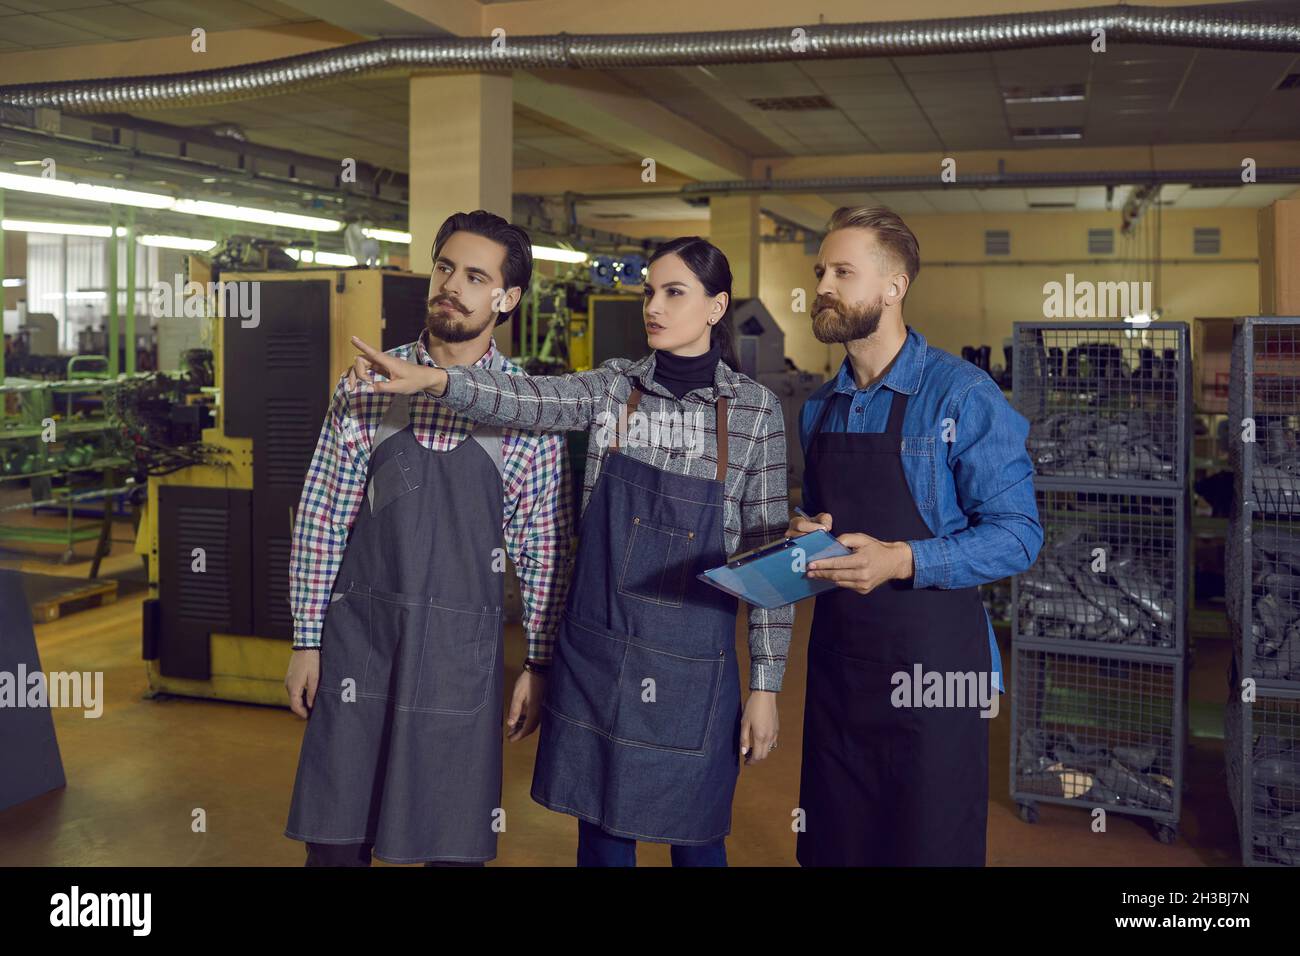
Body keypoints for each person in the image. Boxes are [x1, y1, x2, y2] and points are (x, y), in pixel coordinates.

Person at [347, 236, 791, 867]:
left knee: (698, 843)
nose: (654, 308)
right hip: (600, 655)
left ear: (717, 308)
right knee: (603, 838)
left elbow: (771, 564)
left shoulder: (754, 413)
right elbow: (525, 399)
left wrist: (767, 687)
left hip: (694, 669)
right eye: (649, 293)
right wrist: (437, 380)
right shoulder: (613, 390)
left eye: (674, 293)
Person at [282, 210, 574, 866]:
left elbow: (541, 547)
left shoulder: (527, 411)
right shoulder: (365, 388)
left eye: (475, 276)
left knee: (452, 841)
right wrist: (306, 640)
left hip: (458, 660)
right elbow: (323, 517)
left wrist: (539, 661)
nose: (452, 285)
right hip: (360, 647)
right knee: (335, 842)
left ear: (507, 298)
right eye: (445, 267)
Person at [787, 205, 1042, 866]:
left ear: (893, 288)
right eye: (821, 271)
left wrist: (903, 558)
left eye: (843, 271)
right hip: (841, 672)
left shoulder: (962, 397)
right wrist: (808, 535)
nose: (823, 286)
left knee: (928, 847)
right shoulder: (819, 409)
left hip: (937, 678)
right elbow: (822, 517)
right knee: (833, 848)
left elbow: (1018, 537)